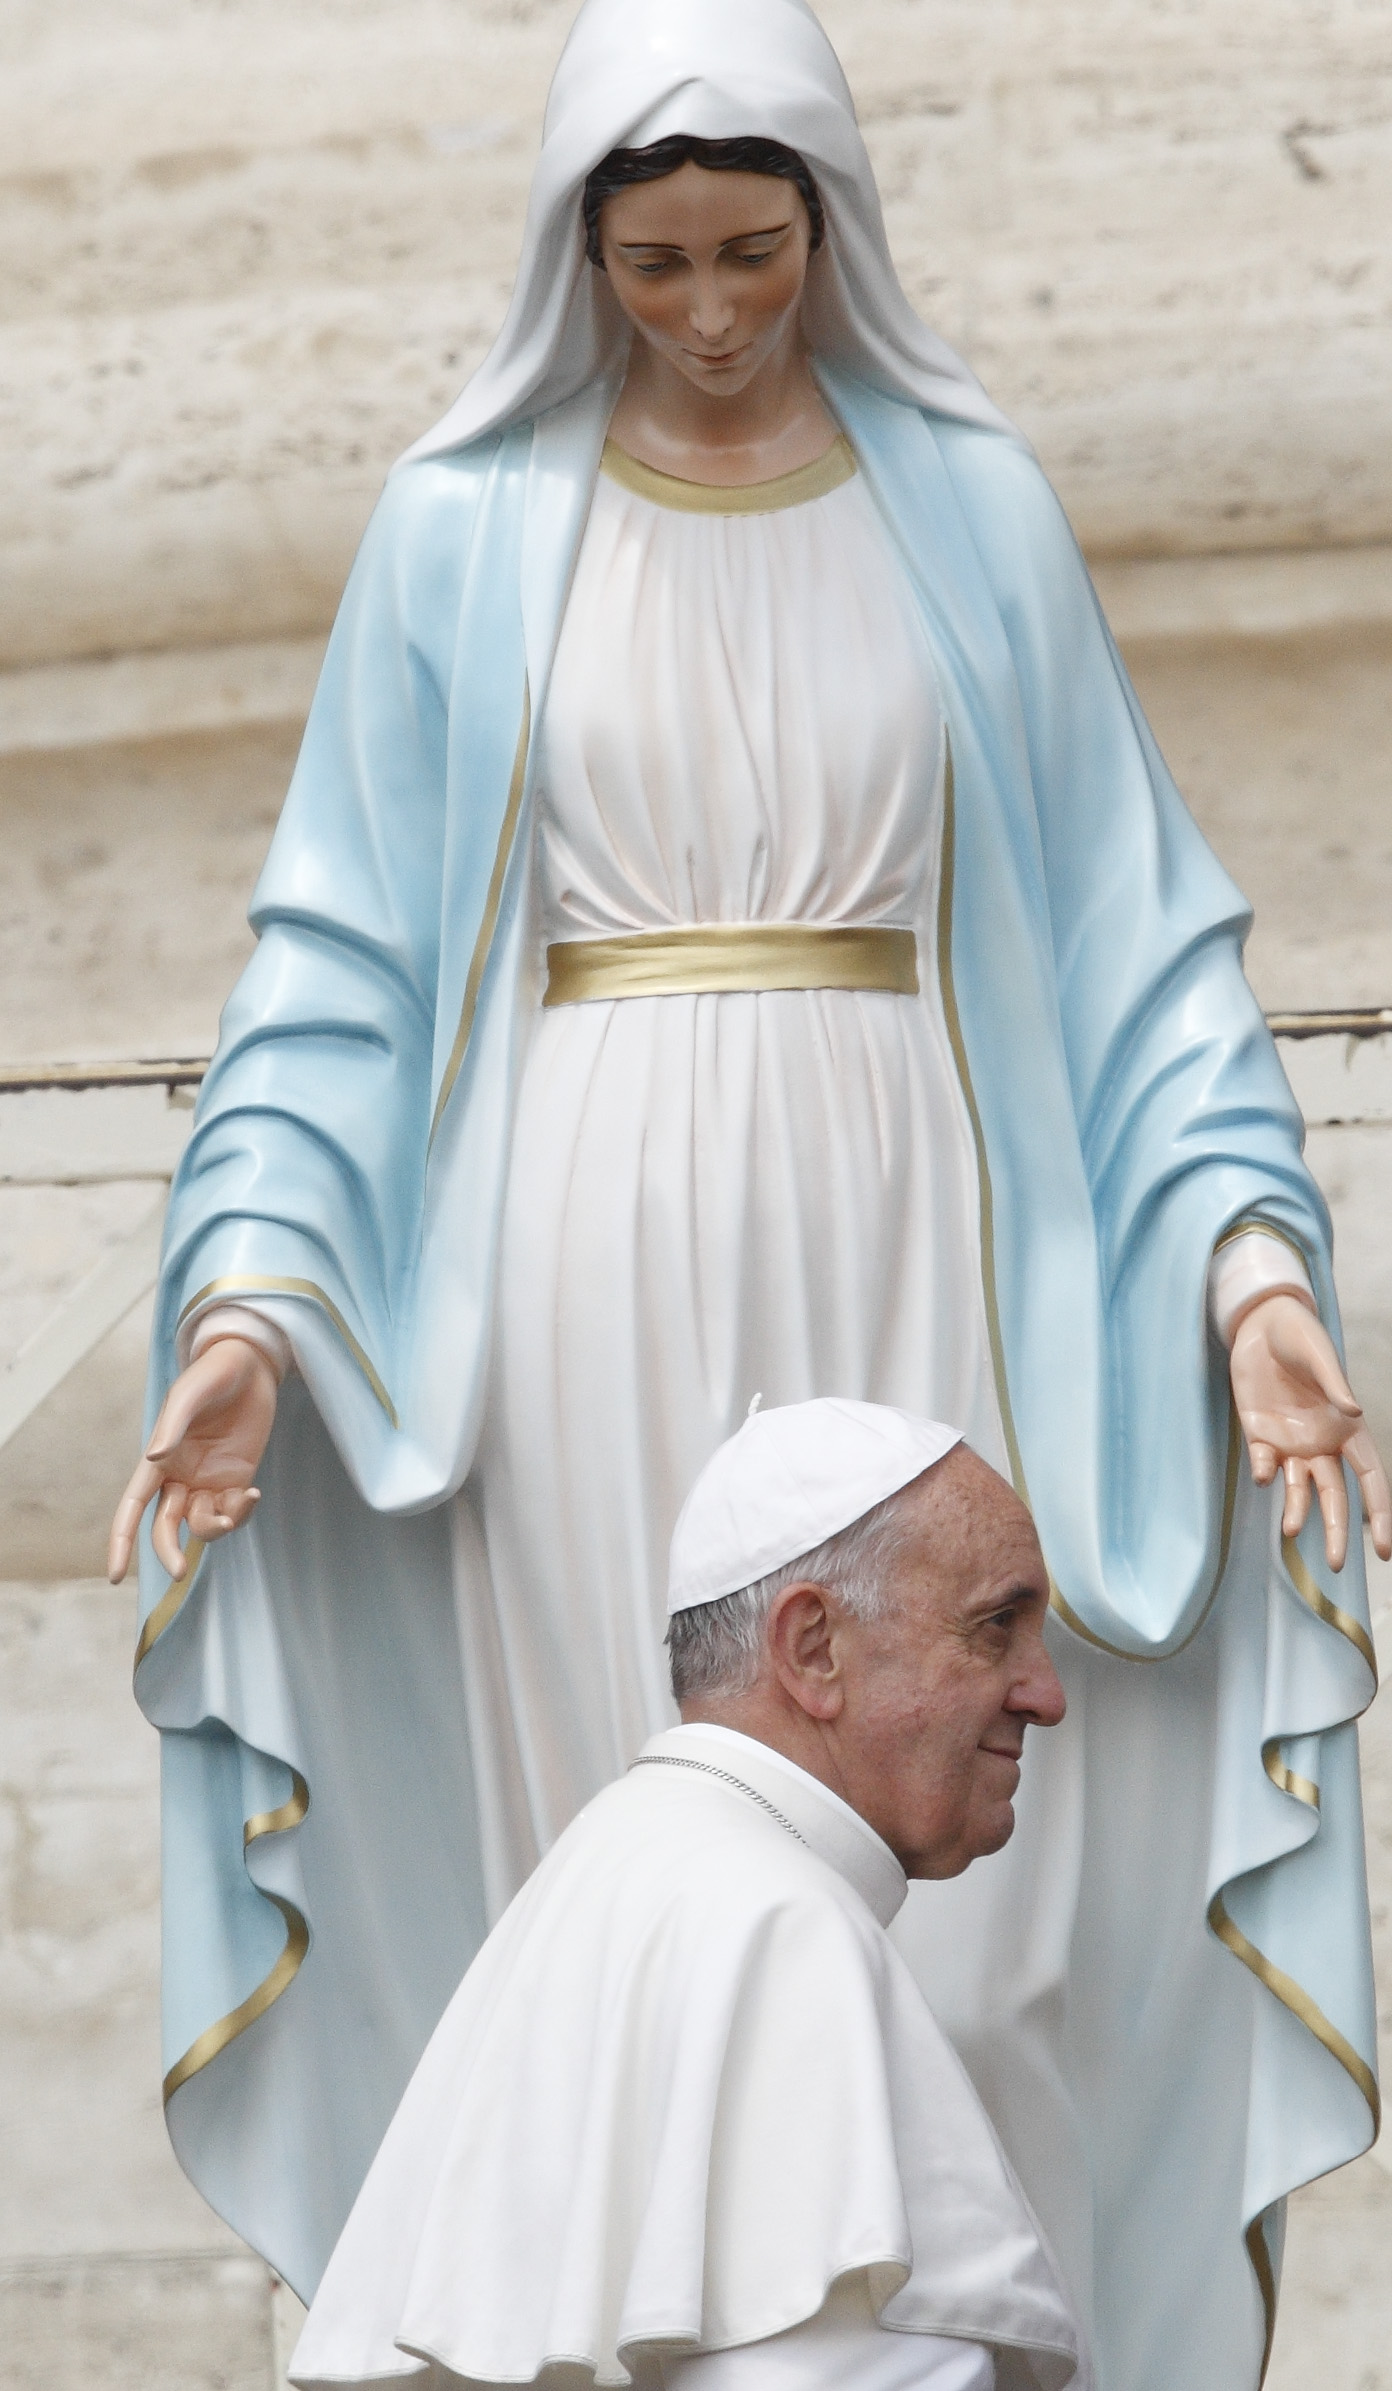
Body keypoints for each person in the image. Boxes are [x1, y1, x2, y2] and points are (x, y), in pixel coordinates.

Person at [108, 1, 1384, 2381]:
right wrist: (249, 1311)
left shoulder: (960, 502)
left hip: (909, 1182)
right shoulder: (462, 523)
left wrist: (1242, 1273)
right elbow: (339, 964)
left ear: (828, 227)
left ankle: (986, 2334)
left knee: (968, 1858)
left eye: (749, 253)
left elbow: (1126, 929)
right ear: (575, 252)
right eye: (653, 261)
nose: (701, 310)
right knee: (632, 1858)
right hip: (572, 1235)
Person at [288, 1402, 1085, 2391]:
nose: (1045, 1693)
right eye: (995, 1628)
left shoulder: (615, 1870)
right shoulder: (779, 1924)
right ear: (813, 1649)